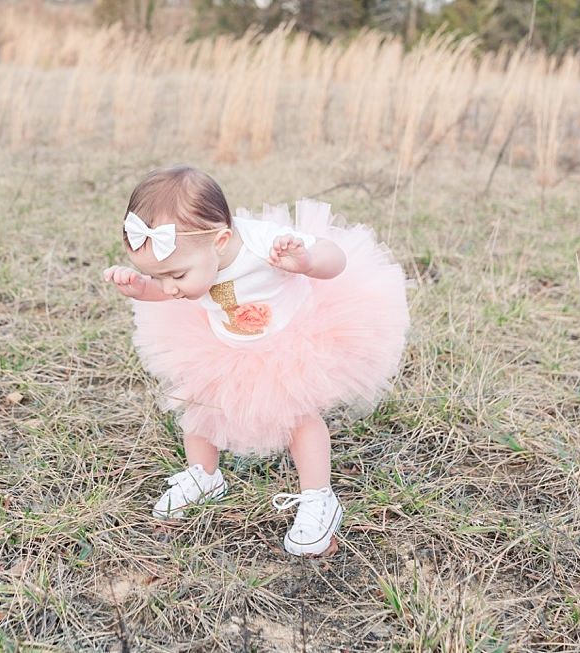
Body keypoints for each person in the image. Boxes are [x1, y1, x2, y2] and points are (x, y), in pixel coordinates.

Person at [103, 165, 409, 557]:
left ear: (221, 241)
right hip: (222, 344)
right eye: (157, 276)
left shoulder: (265, 242)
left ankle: (319, 498)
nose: (170, 287)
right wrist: (143, 289)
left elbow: (337, 258)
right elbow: (166, 293)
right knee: (201, 406)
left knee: (299, 419)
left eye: (175, 274)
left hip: (289, 341)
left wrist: (308, 261)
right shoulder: (187, 266)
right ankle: (204, 476)